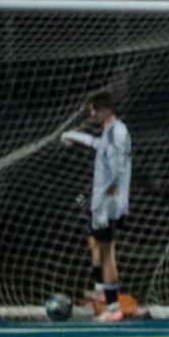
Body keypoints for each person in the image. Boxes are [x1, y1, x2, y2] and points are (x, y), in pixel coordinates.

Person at [61, 91, 132, 322]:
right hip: (103, 204)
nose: (91, 114)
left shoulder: (117, 132)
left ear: (105, 110)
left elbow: (118, 167)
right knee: (96, 244)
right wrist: (76, 136)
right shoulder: (110, 132)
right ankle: (103, 291)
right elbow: (98, 145)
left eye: (93, 110)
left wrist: (107, 198)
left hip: (108, 205)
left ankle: (113, 308)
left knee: (107, 252)